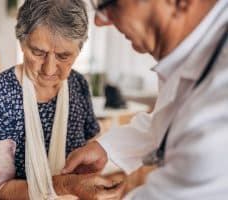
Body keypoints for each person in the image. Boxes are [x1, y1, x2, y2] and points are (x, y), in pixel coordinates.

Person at [62, 0, 228, 199]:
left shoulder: (220, 105)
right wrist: (106, 148)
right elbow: (168, 121)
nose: (99, 21)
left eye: (110, 4)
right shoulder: (194, 55)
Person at [0, 0, 126, 199]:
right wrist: (66, 185)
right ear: (21, 42)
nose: (49, 70)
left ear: (79, 50)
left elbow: (92, 148)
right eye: (38, 52)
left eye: (63, 56)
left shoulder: (78, 84)